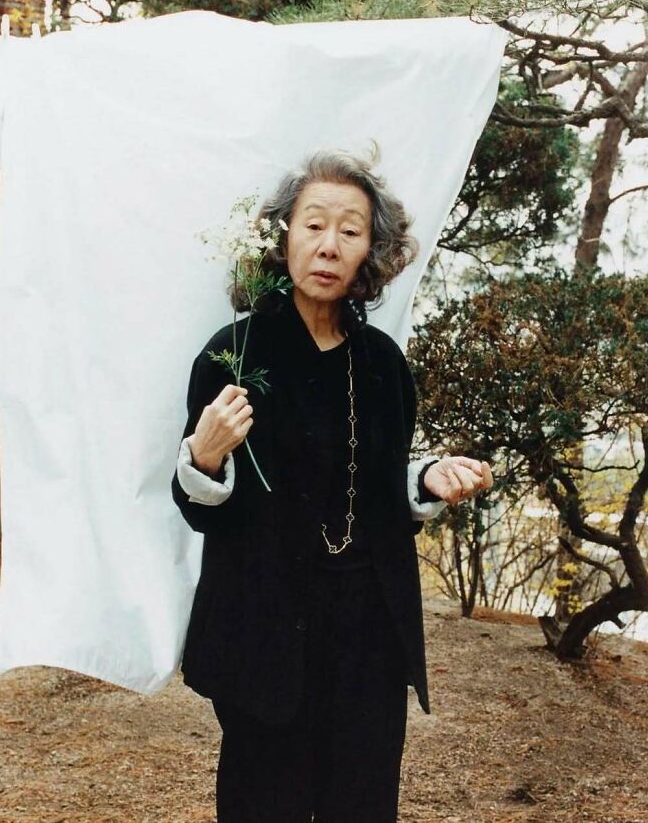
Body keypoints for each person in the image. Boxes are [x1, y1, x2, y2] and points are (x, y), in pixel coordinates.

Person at [171, 145, 494, 822]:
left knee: (363, 804)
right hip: (267, 637)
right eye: (313, 224)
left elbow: (374, 490)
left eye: (350, 231)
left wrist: (425, 479)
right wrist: (202, 457)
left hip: (367, 637)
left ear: (370, 253)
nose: (329, 245)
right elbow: (202, 510)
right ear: (282, 236)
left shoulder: (382, 364)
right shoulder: (233, 355)